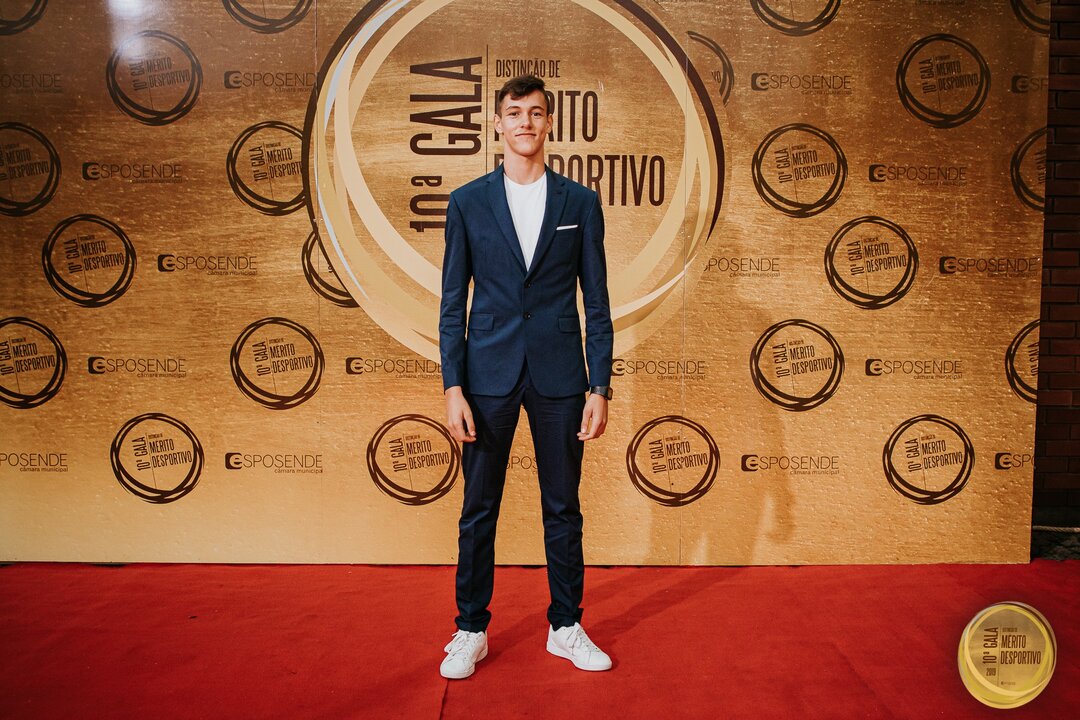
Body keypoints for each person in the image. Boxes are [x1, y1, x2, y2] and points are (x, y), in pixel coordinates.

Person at [438, 74, 614, 679]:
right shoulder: (467, 203)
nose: (525, 123)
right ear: (498, 123)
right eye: (514, 113)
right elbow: (452, 304)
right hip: (486, 374)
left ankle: (566, 626)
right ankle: (470, 629)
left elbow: (597, 302)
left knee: (563, 508)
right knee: (478, 509)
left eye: (536, 113)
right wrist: (453, 387)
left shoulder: (580, 204)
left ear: (549, 123)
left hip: (561, 376)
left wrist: (599, 386)